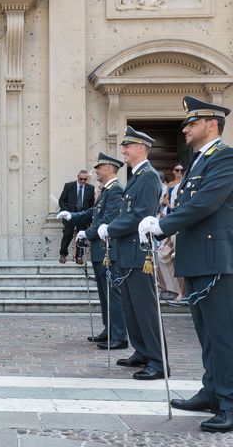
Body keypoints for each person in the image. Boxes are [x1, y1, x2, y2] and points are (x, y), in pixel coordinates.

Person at [139, 96, 233, 433]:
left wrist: (163, 225)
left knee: (223, 336)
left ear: (212, 125)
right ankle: (212, 391)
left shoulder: (225, 158)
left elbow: (205, 204)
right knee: (207, 336)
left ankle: (230, 402)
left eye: (192, 123)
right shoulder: (199, 161)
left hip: (215, 260)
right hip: (196, 258)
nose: (185, 128)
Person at [98, 125, 166, 380]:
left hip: (139, 253)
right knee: (132, 307)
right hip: (127, 252)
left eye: (127, 146)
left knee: (145, 309)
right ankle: (142, 351)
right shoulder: (137, 176)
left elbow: (140, 214)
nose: (123, 150)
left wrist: (110, 228)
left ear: (141, 148)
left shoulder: (148, 176)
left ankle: (158, 362)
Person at [57, 153, 128, 349]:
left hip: (108, 250)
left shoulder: (115, 191)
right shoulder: (106, 191)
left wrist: (86, 234)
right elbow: (92, 213)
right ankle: (109, 330)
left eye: (100, 167)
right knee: (104, 294)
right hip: (99, 250)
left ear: (110, 169)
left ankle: (120, 335)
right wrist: (72, 216)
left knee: (113, 294)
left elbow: (109, 219)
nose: (96, 171)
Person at [57, 169, 94, 263]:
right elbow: (61, 201)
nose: (82, 181)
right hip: (70, 215)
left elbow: (91, 204)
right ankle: (63, 254)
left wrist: (89, 216)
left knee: (81, 236)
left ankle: (79, 257)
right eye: (81, 179)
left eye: (85, 179)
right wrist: (66, 213)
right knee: (67, 234)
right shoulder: (69, 186)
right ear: (78, 177)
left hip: (83, 216)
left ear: (87, 179)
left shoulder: (90, 188)